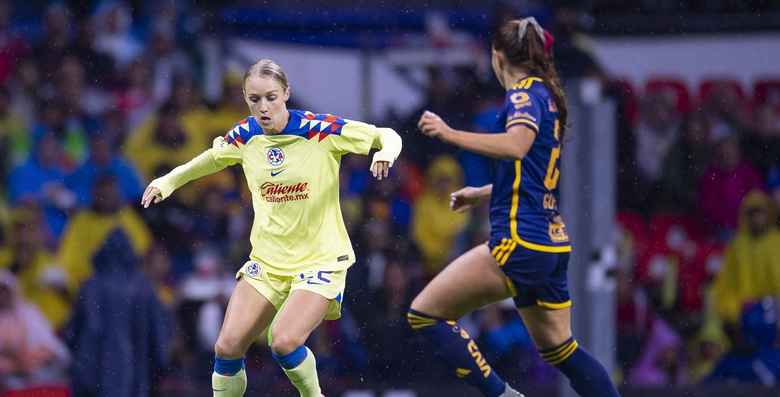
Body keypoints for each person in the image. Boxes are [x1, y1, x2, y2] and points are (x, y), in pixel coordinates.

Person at [141, 58, 402, 397]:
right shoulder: (246, 134)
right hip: (268, 262)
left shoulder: (318, 130)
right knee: (227, 347)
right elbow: (211, 158)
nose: (262, 107)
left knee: (284, 341)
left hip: (319, 261)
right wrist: (169, 181)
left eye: (271, 97)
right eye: (254, 99)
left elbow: (387, 135)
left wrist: (385, 154)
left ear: (287, 94)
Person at [409, 18, 621, 397]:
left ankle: (502, 395)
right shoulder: (545, 94)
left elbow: (517, 146)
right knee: (563, 351)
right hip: (551, 244)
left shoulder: (522, 95)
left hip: (519, 242)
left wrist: (449, 133)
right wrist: (484, 192)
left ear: (498, 57)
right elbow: (534, 175)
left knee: (426, 313)